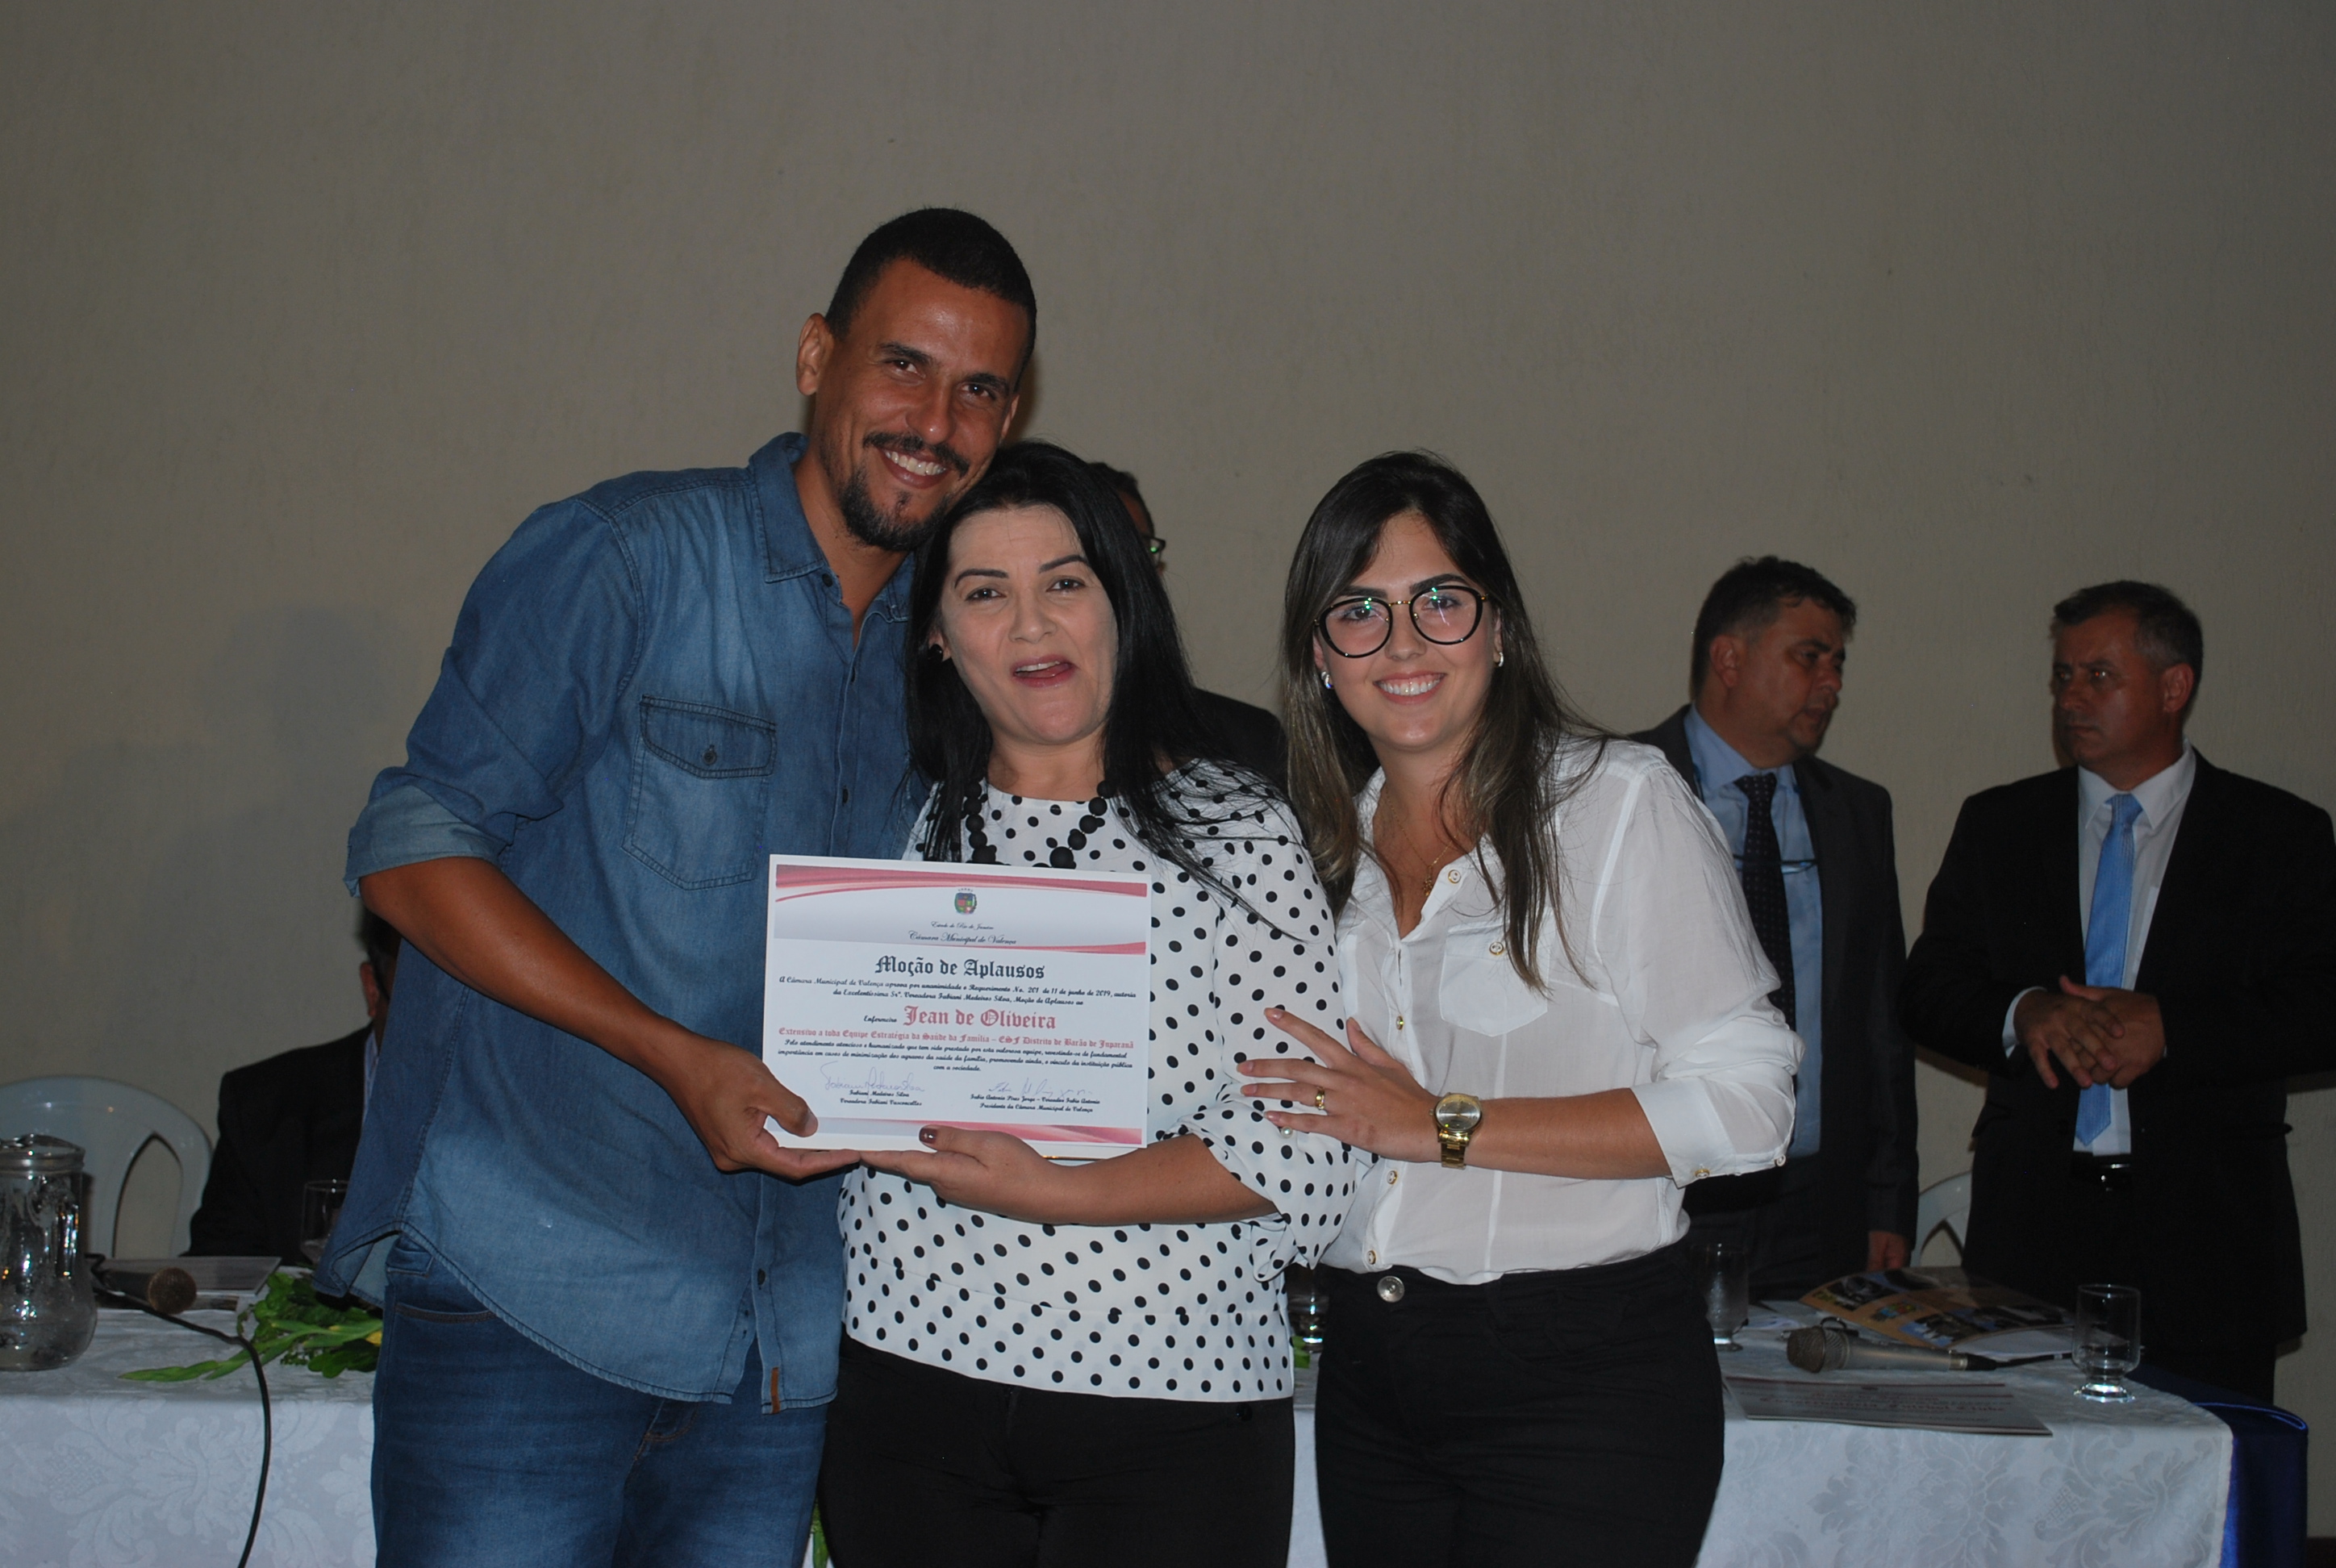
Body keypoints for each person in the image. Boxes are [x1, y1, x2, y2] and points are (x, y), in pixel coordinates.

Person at [318, 209, 1036, 1566]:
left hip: (778, 1348)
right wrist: (672, 1054)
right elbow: (410, 852)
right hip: (535, 1289)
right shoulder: (627, 556)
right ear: (816, 357)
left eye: (981, 389)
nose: (936, 421)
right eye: (904, 365)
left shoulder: (956, 659)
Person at [1241, 452, 1800, 1567]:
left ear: (1497, 625)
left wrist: (1440, 1124)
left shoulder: (1615, 807)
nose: (1403, 645)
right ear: (1318, 657)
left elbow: (1750, 1109)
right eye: (1360, 612)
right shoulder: (1311, 858)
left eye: (1439, 601)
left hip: (1583, 1382)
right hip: (1368, 1372)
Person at [816, 441, 1352, 1568]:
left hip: (1173, 1407)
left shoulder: (1236, 832)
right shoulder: (891, 827)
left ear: (1122, 601)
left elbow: (1306, 1152)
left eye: (1064, 581)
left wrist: (1060, 1191)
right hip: (907, 1386)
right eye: (984, 593)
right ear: (935, 632)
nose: (1031, 625)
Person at [1900, 582, 2336, 1401]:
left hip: (2207, 1239)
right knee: (2026, 1467)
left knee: (2200, 1466)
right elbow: (1926, 988)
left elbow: (2321, 1008)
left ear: (2174, 688)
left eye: (2098, 676)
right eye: (2062, 676)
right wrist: (2024, 1011)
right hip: (2032, 1229)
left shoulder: (2276, 834)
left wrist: (2173, 1029)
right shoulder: (2001, 824)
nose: (2071, 699)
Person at [1631, 557, 1917, 1297]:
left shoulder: (1857, 812)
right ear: (1729, 659)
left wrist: (1888, 1199)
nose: (1831, 683)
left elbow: (1882, 1022)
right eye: (1809, 657)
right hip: (1664, 1188)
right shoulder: (1617, 787)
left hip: (1818, 1201)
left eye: (1838, 663)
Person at [187, 908, 403, 1264]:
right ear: (373, 989)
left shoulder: (502, 1102)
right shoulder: (265, 1107)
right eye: (418, 1005)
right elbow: (222, 1266)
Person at [1088, 459, 1287, 786]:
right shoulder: (1005, 742)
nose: (1124, 573)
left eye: (1137, 551)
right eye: (1099, 554)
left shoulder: (1249, 740)